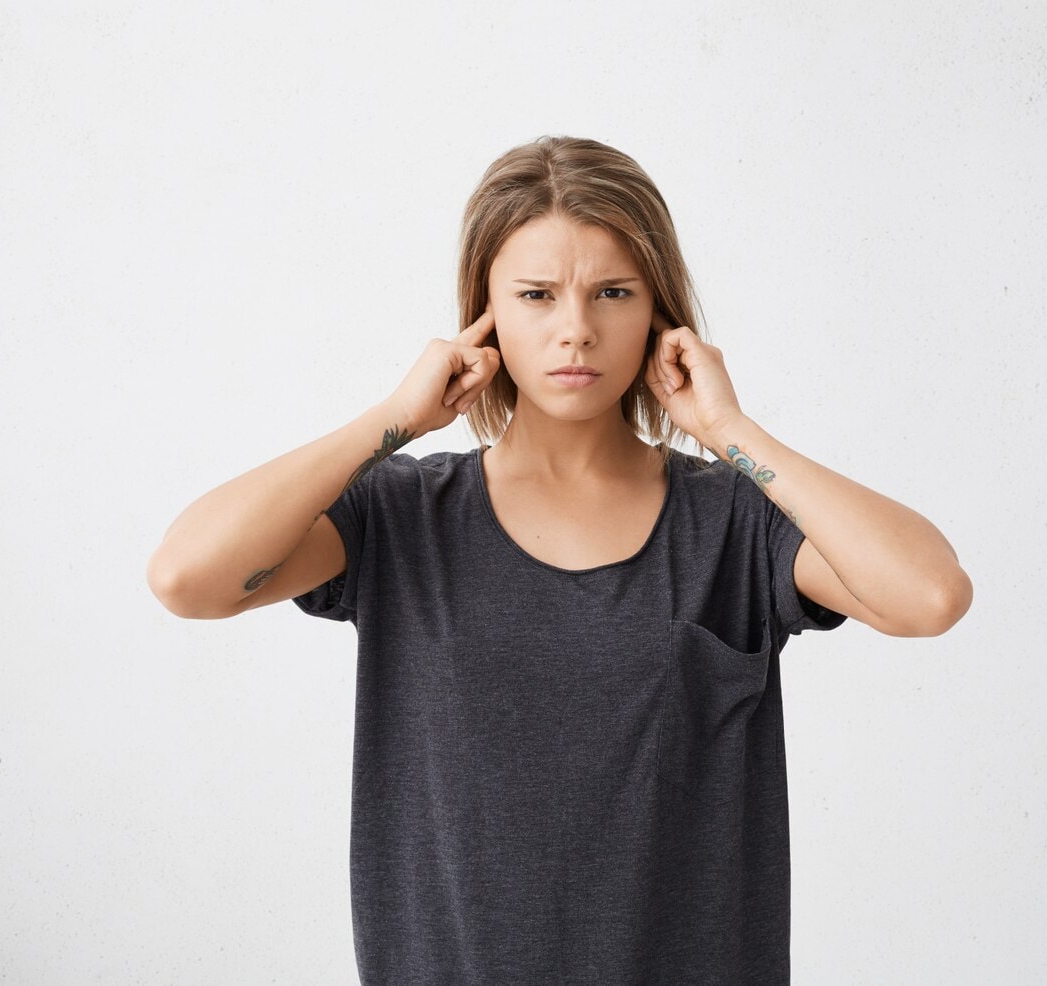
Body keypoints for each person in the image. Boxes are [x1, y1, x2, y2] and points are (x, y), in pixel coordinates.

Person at [147, 135, 972, 984]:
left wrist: (733, 434)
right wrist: (391, 422)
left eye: (613, 292)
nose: (575, 330)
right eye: (536, 295)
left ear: (658, 309)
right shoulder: (400, 518)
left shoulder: (734, 524)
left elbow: (932, 595)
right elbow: (187, 578)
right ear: (487, 312)